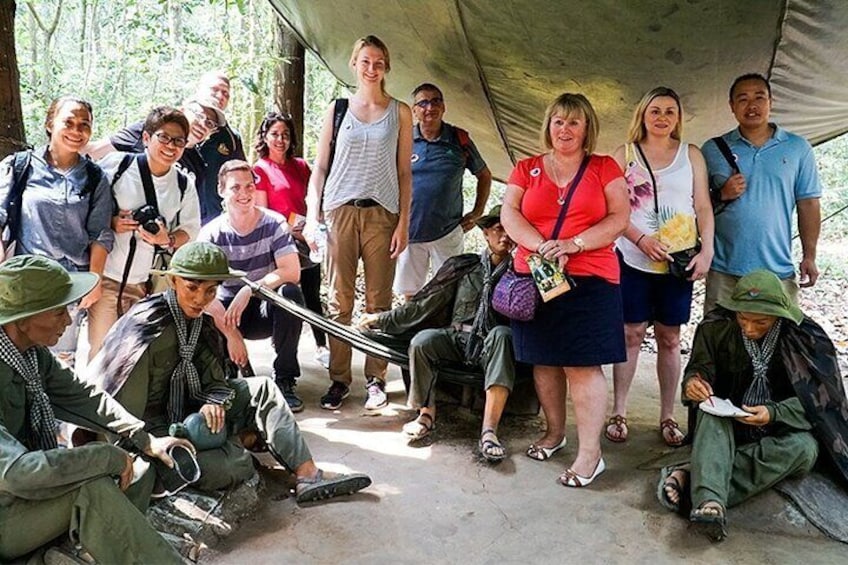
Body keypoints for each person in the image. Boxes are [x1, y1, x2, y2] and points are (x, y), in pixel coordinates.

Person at [86, 242, 372, 502]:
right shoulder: (144, 327)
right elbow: (121, 415)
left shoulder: (201, 323)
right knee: (234, 464)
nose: (200, 298)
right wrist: (155, 444)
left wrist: (214, 401)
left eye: (210, 290)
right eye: (192, 287)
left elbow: (216, 380)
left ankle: (308, 475)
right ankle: (236, 444)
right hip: (151, 432)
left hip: (191, 414)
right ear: (173, 281)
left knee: (262, 389)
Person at [0, 255, 190, 563]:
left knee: (139, 468)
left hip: (29, 495)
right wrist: (105, 456)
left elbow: (84, 396)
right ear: (22, 319)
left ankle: (85, 546)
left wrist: (142, 437)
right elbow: (19, 473)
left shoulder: (31, 355)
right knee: (92, 490)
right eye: (59, 311)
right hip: (7, 509)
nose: (67, 320)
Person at [658, 270, 848, 541]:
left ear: (779, 315)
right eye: (742, 318)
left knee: (805, 450)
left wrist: (774, 413)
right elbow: (699, 369)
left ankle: (695, 478)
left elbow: (825, 406)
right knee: (710, 413)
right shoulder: (716, 327)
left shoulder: (807, 338)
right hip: (728, 422)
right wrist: (693, 383)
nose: (748, 328)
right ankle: (710, 504)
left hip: (779, 427)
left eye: (760, 321)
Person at [501, 93, 629, 488]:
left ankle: (591, 455)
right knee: (544, 359)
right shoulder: (526, 168)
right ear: (548, 126)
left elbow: (619, 217)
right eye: (558, 121)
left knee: (582, 364)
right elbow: (510, 213)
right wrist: (540, 246)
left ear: (587, 127)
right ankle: (555, 433)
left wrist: (574, 244)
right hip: (536, 277)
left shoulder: (605, 168)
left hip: (590, 275)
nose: (565, 129)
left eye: (573, 122)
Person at [304, 35, 413, 411]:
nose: (372, 68)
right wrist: (312, 212)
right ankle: (339, 380)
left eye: (379, 61)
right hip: (339, 210)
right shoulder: (337, 109)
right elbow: (319, 166)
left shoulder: (400, 111)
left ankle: (376, 378)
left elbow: (404, 173)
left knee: (380, 301)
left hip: (383, 213)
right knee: (339, 300)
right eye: (365, 61)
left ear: (386, 66)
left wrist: (404, 224)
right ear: (354, 63)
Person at [360, 205, 514, 463]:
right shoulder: (464, 267)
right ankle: (426, 414)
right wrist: (381, 320)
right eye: (499, 228)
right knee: (423, 341)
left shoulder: (520, 273)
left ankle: (489, 430)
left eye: (511, 230)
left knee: (501, 334)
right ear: (486, 233)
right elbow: (424, 304)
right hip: (456, 338)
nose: (505, 236)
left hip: (494, 347)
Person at [607, 87, 715, 446]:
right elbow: (614, 210)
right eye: (655, 110)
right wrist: (640, 239)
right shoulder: (625, 155)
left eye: (670, 111)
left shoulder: (692, 155)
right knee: (631, 333)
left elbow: (702, 207)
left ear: (678, 118)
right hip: (634, 258)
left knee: (670, 339)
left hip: (678, 263)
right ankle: (619, 411)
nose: (662, 117)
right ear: (642, 114)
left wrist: (707, 251)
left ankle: (668, 416)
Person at [0, 96, 113, 366]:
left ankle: (49, 409)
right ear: (50, 124)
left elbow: (100, 233)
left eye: (84, 125)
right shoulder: (20, 167)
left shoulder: (95, 178)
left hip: (69, 286)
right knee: (17, 355)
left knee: (60, 363)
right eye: (69, 122)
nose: (76, 131)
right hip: (26, 283)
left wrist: (94, 280)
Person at [700, 73, 822, 313]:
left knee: (779, 343)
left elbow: (808, 204)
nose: (752, 105)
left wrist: (810, 256)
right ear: (732, 106)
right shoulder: (712, 149)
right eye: (743, 99)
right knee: (721, 342)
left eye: (759, 97)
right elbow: (695, 204)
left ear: (771, 102)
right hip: (724, 268)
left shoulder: (797, 147)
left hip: (777, 268)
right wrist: (721, 194)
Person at [87, 106, 201, 360]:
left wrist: (167, 240)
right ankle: (95, 400)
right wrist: (111, 221)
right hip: (107, 277)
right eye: (163, 137)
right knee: (101, 354)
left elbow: (190, 231)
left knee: (133, 358)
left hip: (144, 283)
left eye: (179, 141)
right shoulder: (117, 166)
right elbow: (87, 205)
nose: (171, 146)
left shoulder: (183, 184)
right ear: (146, 138)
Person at [199, 160, 306, 412]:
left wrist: (250, 289)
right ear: (222, 190)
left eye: (249, 186)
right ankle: (229, 373)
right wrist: (231, 334)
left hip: (263, 307)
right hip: (227, 312)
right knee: (200, 310)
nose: (245, 194)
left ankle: (285, 378)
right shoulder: (211, 234)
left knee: (291, 292)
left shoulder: (274, 222)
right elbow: (201, 292)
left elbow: (292, 271)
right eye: (236, 188)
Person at [393, 82, 492, 299]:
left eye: (436, 101)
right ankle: (410, 332)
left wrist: (477, 213)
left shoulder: (459, 139)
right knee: (410, 294)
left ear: (444, 107)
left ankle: (443, 332)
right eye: (423, 102)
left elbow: (484, 175)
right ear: (414, 110)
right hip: (409, 232)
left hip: (447, 231)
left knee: (449, 291)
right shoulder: (403, 140)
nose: (430, 107)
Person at [253, 112, 329, 368]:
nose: (280, 140)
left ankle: (322, 346)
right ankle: (285, 352)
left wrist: (312, 225)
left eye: (285, 135)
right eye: (274, 134)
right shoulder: (259, 169)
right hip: (280, 243)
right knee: (286, 295)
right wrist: (288, 228)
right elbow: (262, 211)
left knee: (312, 295)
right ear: (265, 137)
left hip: (309, 240)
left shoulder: (301, 166)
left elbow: (313, 200)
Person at [85, 96, 224, 205]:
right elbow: (94, 151)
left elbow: (189, 214)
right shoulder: (149, 130)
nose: (203, 125)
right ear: (182, 110)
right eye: (199, 116)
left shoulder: (198, 166)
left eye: (210, 124)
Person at [193, 71, 247, 224]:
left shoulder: (230, 138)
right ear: (199, 89)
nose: (220, 96)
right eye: (214, 89)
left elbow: (241, 177)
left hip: (211, 219)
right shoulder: (175, 124)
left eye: (226, 94)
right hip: (173, 218)